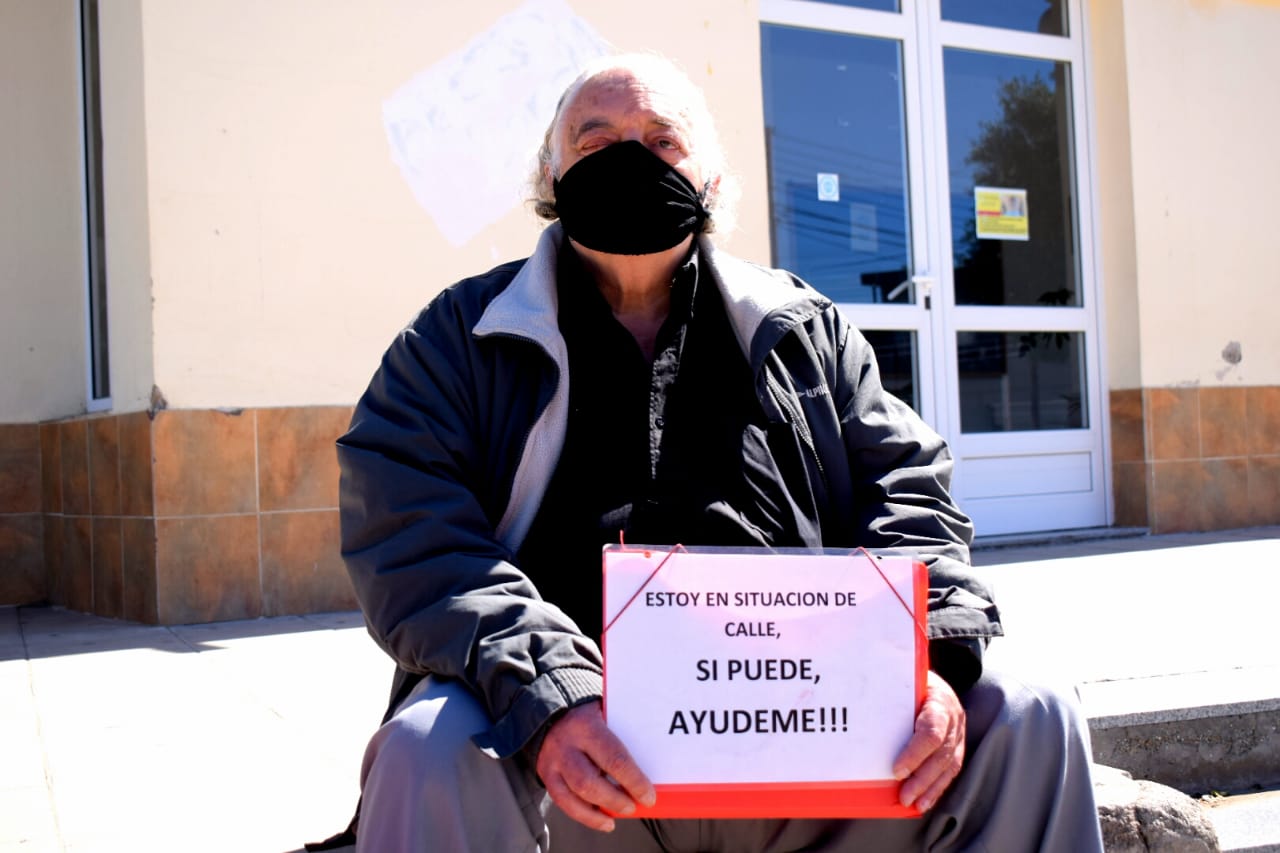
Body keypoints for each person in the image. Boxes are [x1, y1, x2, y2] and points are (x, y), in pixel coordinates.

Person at [331, 53, 1104, 852]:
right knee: (428, 747)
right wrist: (548, 688)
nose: (631, 160)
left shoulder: (807, 330)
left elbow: (907, 488)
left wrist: (931, 658)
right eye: (596, 143)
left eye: (662, 141)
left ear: (711, 179)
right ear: (551, 178)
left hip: (811, 730)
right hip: (570, 756)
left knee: (1029, 709)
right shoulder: (459, 338)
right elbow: (412, 532)